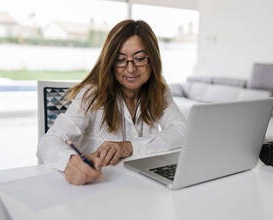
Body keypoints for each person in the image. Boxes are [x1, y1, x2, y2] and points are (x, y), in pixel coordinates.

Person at [37, 20, 186, 185]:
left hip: (141, 186)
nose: (130, 69)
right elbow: (47, 142)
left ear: (153, 60)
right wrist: (69, 162)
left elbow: (181, 131)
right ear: (110, 62)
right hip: (96, 188)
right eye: (120, 59)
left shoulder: (159, 89)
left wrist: (128, 147)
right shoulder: (91, 94)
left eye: (140, 58)